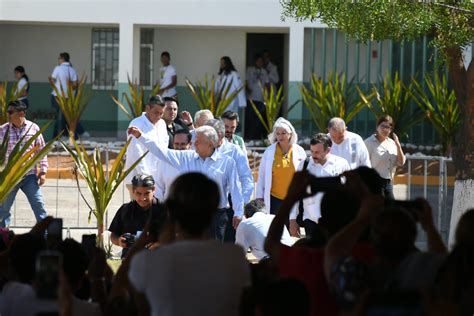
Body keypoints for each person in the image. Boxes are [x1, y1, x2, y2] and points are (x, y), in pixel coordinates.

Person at [128, 173, 251, 316]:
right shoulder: (234, 256)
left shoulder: (146, 262)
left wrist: (143, 241)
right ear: (214, 208)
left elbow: (128, 302)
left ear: (171, 210)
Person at [127, 125, 244, 241]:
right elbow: (160, 151)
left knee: (212, 254)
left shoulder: (227, 162)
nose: (194, 144)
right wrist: (141, 136)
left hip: (215, 216)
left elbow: (236, 188)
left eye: (198, 141)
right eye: (194, 141)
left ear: (210, 144)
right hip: (190, 215)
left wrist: (238, 211)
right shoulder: (186, 157)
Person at [289, 133, 350, 238]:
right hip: (310, 220)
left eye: (317, 152)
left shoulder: (341, 164)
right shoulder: (304, 165)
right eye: (312, 151)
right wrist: (292, 220)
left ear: (328, 150)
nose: (313, 155)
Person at [204, 118, 254, 242]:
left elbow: (247, 179)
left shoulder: (234, 150)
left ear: (219, 134)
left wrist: (241, 207)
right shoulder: (203, 150)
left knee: (228, 241)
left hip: (232, 203)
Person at [0, 101, 48, 227]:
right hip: (9, 178)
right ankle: (3, 239)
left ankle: (47, 238)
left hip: (29, 176)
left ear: (21, 113)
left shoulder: (34, 128)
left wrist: (43, 172)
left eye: (10, 112)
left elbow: (41, 151)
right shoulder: (2, 130)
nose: (8, 115)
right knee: (3, 210)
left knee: (39, 206)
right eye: (8, 112)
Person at [256, 117, 306, 214]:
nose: (280, 136)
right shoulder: (269, 151)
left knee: (291, 227)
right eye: (278, 133)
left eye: (283, 133)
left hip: (293, 200)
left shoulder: (299, 151)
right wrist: (259, 197)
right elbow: (261, 176)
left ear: (290, 134)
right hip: (274, 200)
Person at [108, 174, 167, 258]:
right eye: (139, 193)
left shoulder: (164, 210)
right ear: (133, 190)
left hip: (158, 260)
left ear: (153, 189)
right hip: (130, 260)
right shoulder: (125, 210)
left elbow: (177, 235)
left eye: (147, 193)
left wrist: (159, 244)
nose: (143, 198)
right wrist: (119, 241)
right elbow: (113, 235)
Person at [124, 95, 169, 197]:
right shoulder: (136, 124)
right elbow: (136, 153)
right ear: (148, 108)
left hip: (158, 179)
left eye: (161, 113)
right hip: (138, 179)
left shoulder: (162, 124)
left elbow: (163, 149)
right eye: (156, 113)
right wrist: (146, 178)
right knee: (138, 211)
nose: (158, 116)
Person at [364, 115, 406, 199]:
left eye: (388, 127)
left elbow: (401, 163)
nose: (385, 129)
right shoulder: (368, 142)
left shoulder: (392, 143)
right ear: (377, 127)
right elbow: (363, 163)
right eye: (382, 126)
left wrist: (398, 145)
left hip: (388, 182)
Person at [49, 52, 88, 139]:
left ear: (62, 59)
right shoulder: (72, 70)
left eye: (59, 58)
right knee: (67, 116)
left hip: (57, 96)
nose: (58, 60)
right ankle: (68, 134)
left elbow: (52, 79)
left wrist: (55, 87)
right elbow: (75, 85)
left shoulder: (58, 68)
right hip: (68, 97)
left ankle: (55, 136)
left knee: (56, 117)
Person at [155, 129, 192, 200]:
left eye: (183, 144)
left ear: (190, 144)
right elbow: (159, 186)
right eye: (176, 144)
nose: (179, 147)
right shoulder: (164, 161)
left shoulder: (197, 159)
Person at [245, 54, 270, 140]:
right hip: (251, 99)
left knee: (259, 120)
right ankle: (249, 137)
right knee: (250, 119)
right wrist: (248, 90)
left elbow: (267, 84)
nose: (260, 63)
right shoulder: (250, 70)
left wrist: (268, 96)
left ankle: (257, 138)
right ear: (255, 62)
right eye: (258, 61)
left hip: (261, 99)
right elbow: (246, 81)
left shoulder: (264, 71)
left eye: (261, 61)